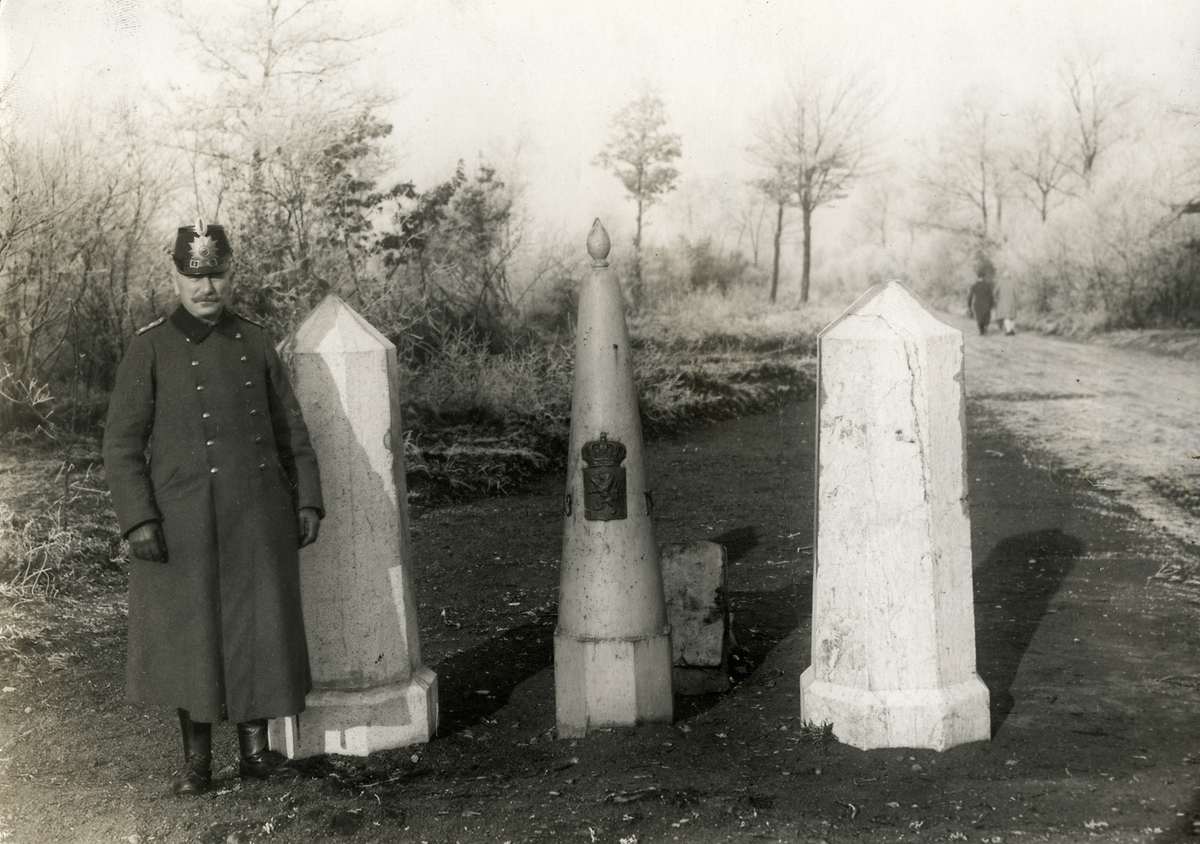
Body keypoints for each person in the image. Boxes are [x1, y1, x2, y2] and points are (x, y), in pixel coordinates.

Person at [103, 220, 324, 796]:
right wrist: (140, 519)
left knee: (259, 626)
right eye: (194, 276)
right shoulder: (147, 347)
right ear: (174, 276)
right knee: (191, 635)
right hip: (184, 521)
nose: (207, 288)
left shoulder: (255, 341)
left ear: (233, 274)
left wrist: (307, 500)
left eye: (218, 275)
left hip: (257, 515)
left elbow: (290, 431)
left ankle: (256, 754)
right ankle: (196, 765)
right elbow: (121, 446)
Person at [967, 254, 996, 335]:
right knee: (986, 317)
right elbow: (991, 296)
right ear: (983, 277)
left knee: (979, 317)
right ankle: (985, 328)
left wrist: (969, 305)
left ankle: (981, 330)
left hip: (978, 304)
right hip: (986, 304)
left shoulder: (974, 285)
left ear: (977, 277)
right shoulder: (987, 285)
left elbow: (970, 296)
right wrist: (992, 304)